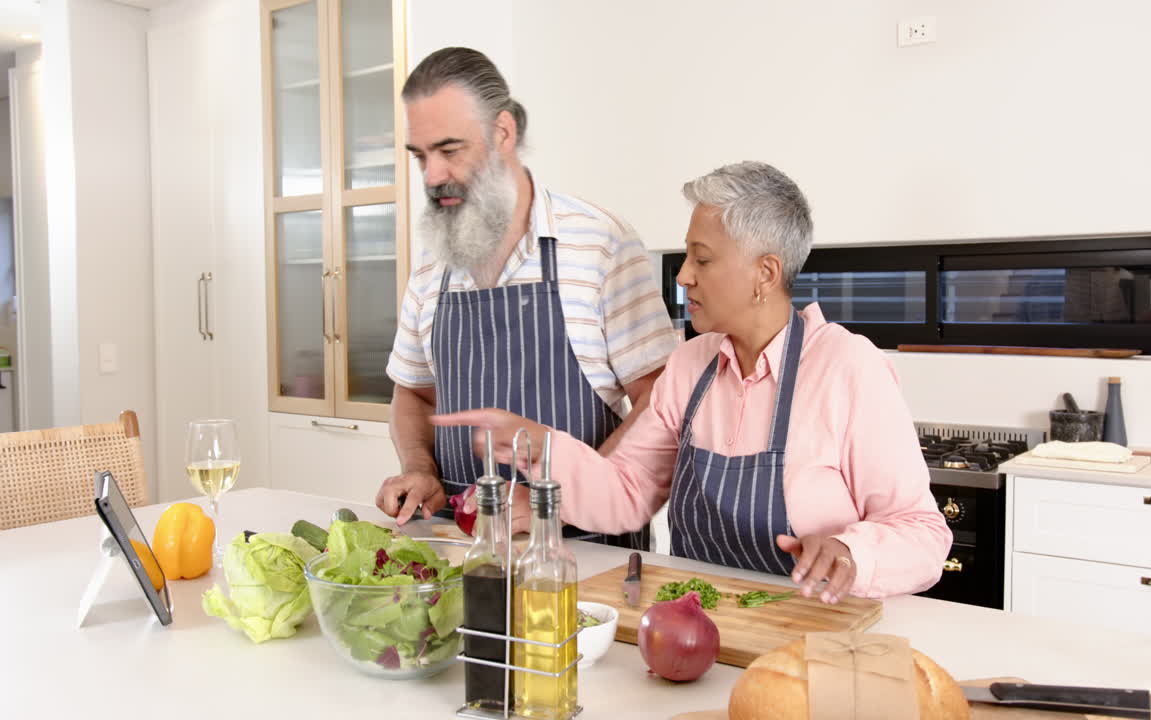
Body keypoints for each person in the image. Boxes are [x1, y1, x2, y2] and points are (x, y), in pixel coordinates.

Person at [436, 162, 952, 602]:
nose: (684, 275)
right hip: (699, 624)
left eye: (702, 259)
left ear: (766, 273)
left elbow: (923, 534)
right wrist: (541, 448)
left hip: (815, 632)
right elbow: (626, 494)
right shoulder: (690, 366)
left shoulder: (847, 367)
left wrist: (851, 552)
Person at [377, 48, 678, 552]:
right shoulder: (434, 263)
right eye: (420, 155)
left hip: (587, 551)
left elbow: (661, 400)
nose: (431, 175)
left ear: (503, 133)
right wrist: (419, 468)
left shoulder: (598, 243)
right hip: (464, 551)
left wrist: (566, 498)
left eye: (450, 150)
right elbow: (413, 393)